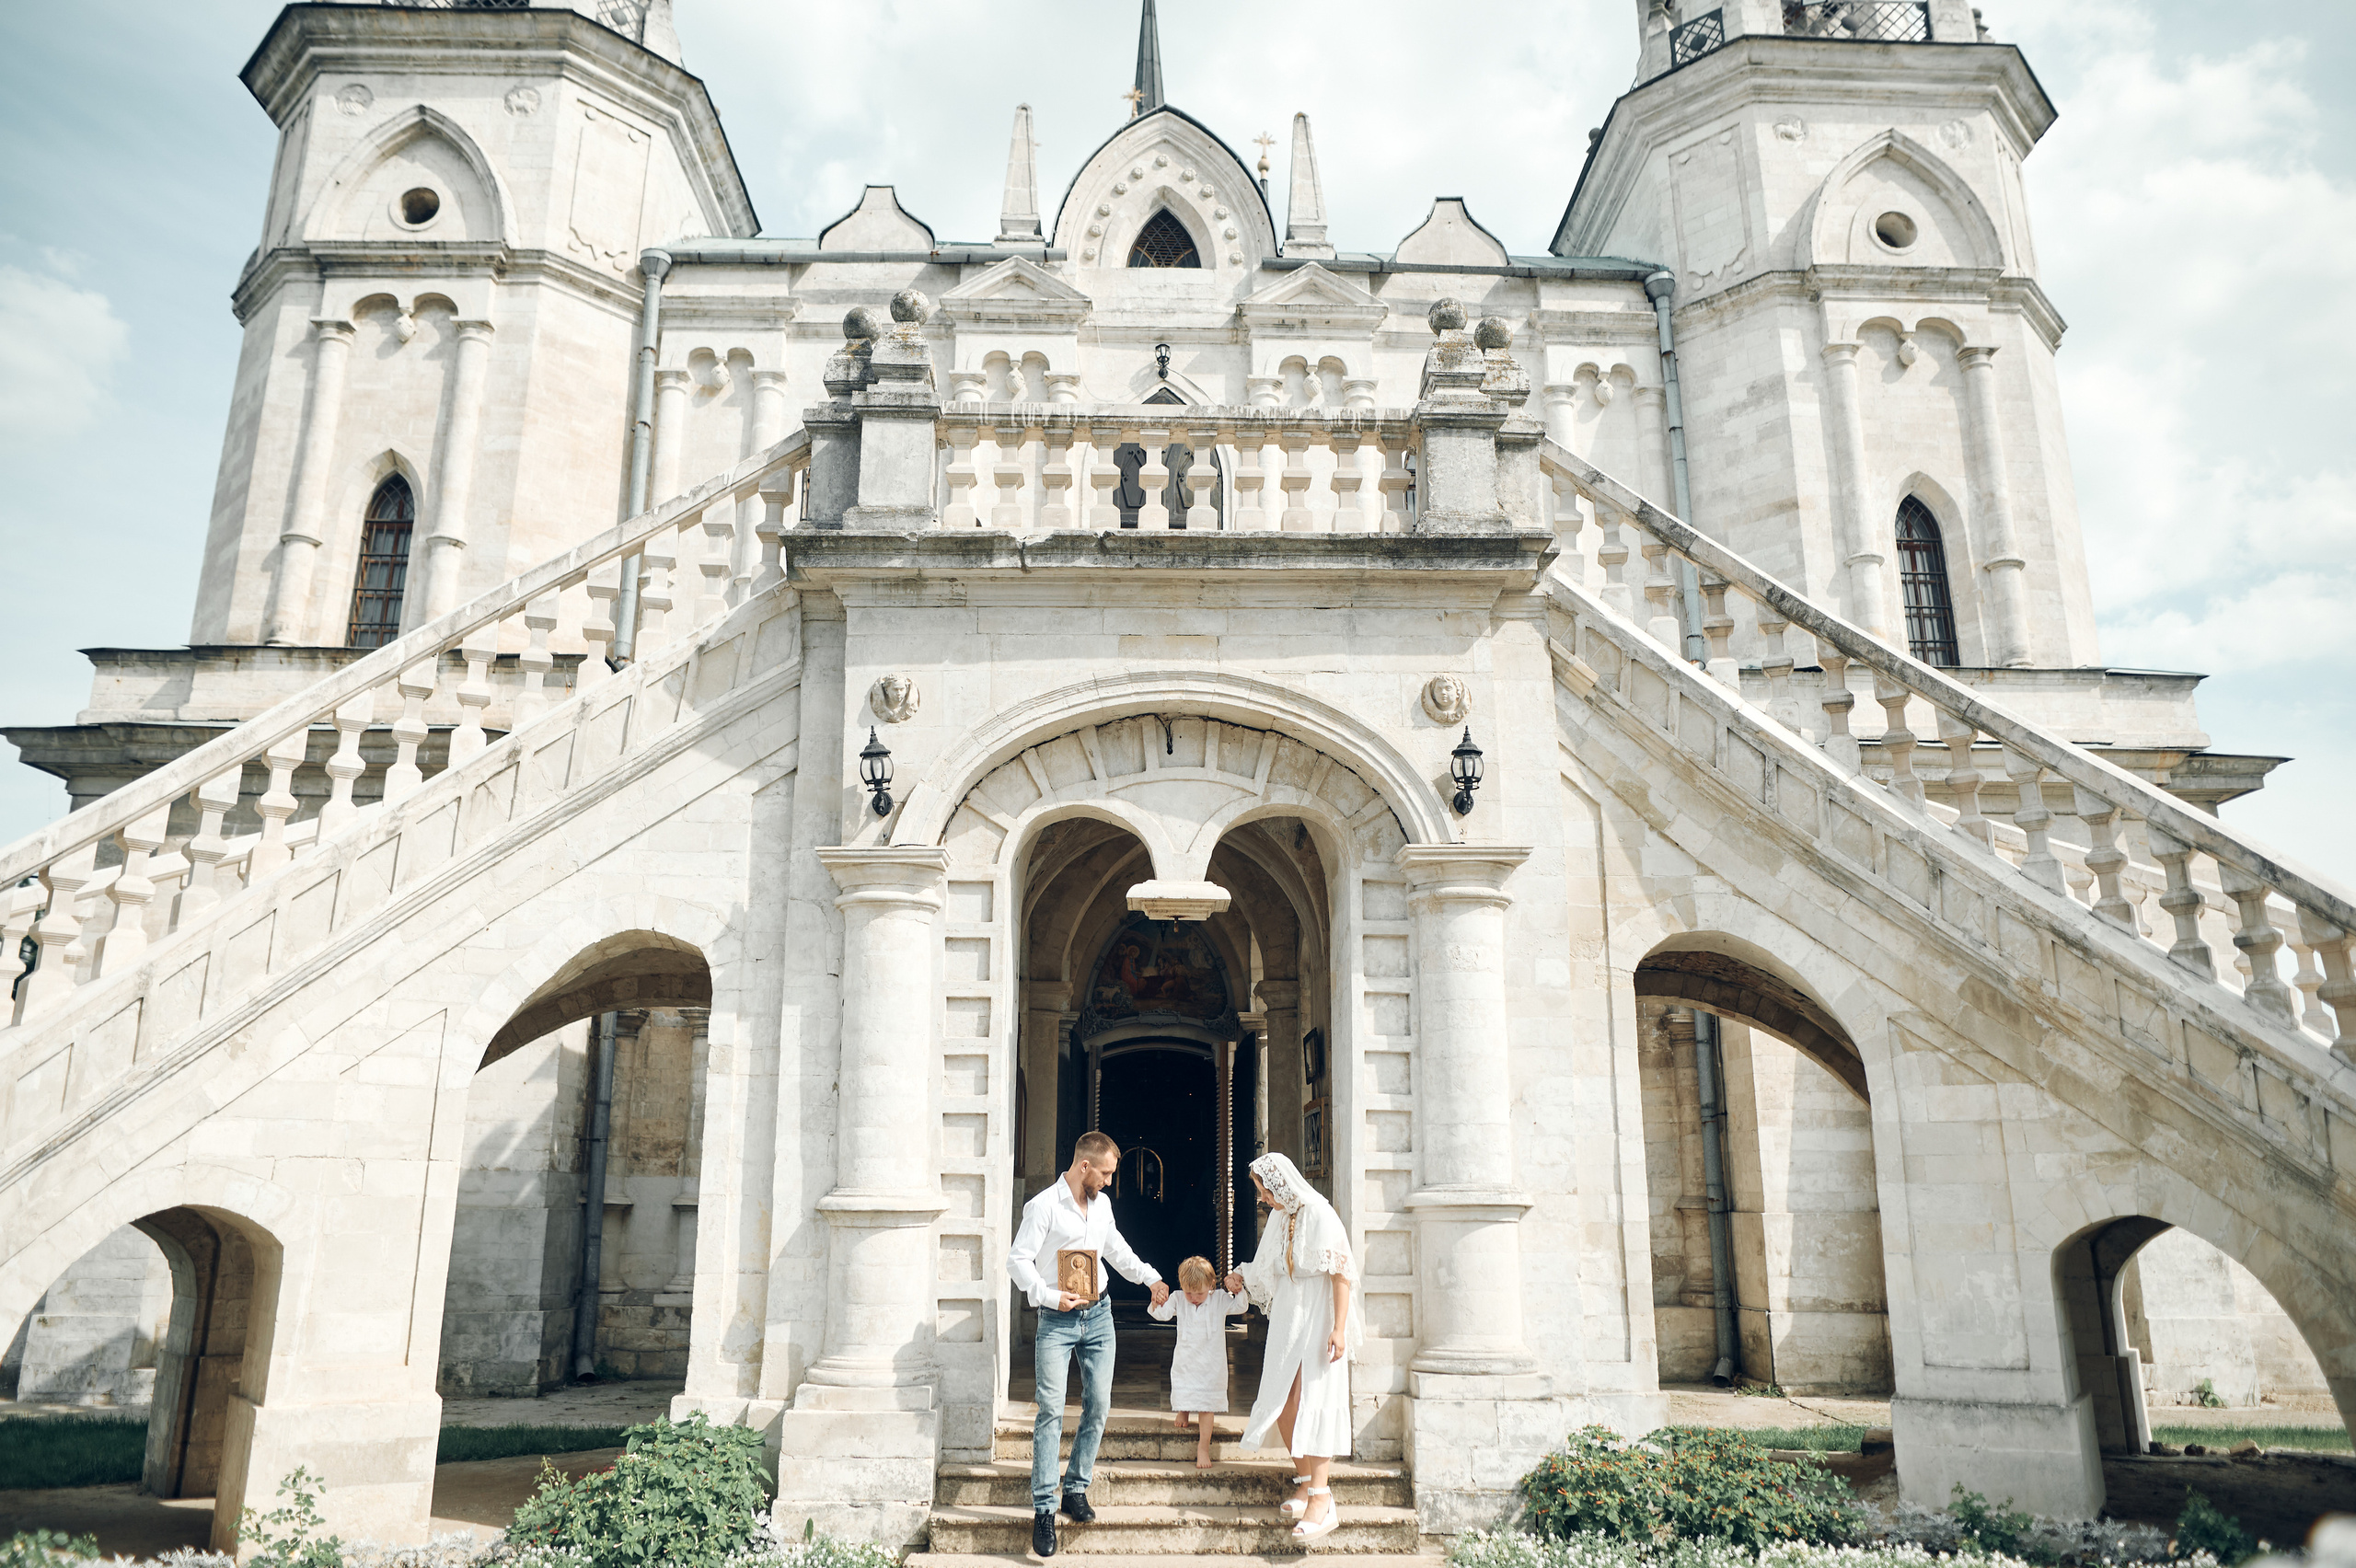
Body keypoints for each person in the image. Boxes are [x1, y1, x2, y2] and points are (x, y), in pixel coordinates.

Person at [1008, 1131, 1169, 1559]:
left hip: (1099, 1315)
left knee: (1098, 1405)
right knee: (1051, 1410)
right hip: (1056, 1319)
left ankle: (1075, 1488)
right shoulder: (1042, 1207)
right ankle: (1044, 1508)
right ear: (1085, 1166)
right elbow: (1017, 1260)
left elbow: (1114, 1248)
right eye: (1107, 1172)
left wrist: (1150, 1277)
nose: (1111, 1181)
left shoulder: (1103, 1206)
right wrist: (1047, 1295)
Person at [1227, 1151, 1358, 1542]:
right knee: (1283, 1402)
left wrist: (1339, 1328)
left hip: (1317, 1318)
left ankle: (1323, 1498)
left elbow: (1341, 1273)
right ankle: (1304, 1482)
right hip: (1288, 1320)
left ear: (1280, 1184)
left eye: (1264, 1191)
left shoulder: (1320, 1213)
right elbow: (1267, 1267)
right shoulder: (1282, 1218)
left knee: (1308, 1400)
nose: (1263, 1199)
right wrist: (1241, 1275)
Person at [1147, 1254, 1250, 1468]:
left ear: (1211, 1285)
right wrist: (1157, 1300)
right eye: (1189, 1293)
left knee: (1207, 1405)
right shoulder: (1177, 1298)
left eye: (1200, 1293)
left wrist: (1239, 1290)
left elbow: (1240, 1308)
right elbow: (1162, 1315)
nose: (1193, 1298)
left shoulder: (1220, 1299)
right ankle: (1184, 1409)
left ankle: (1203, 1447)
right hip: (1187, 1358)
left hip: (1212, 1363)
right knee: (1185, 1386)